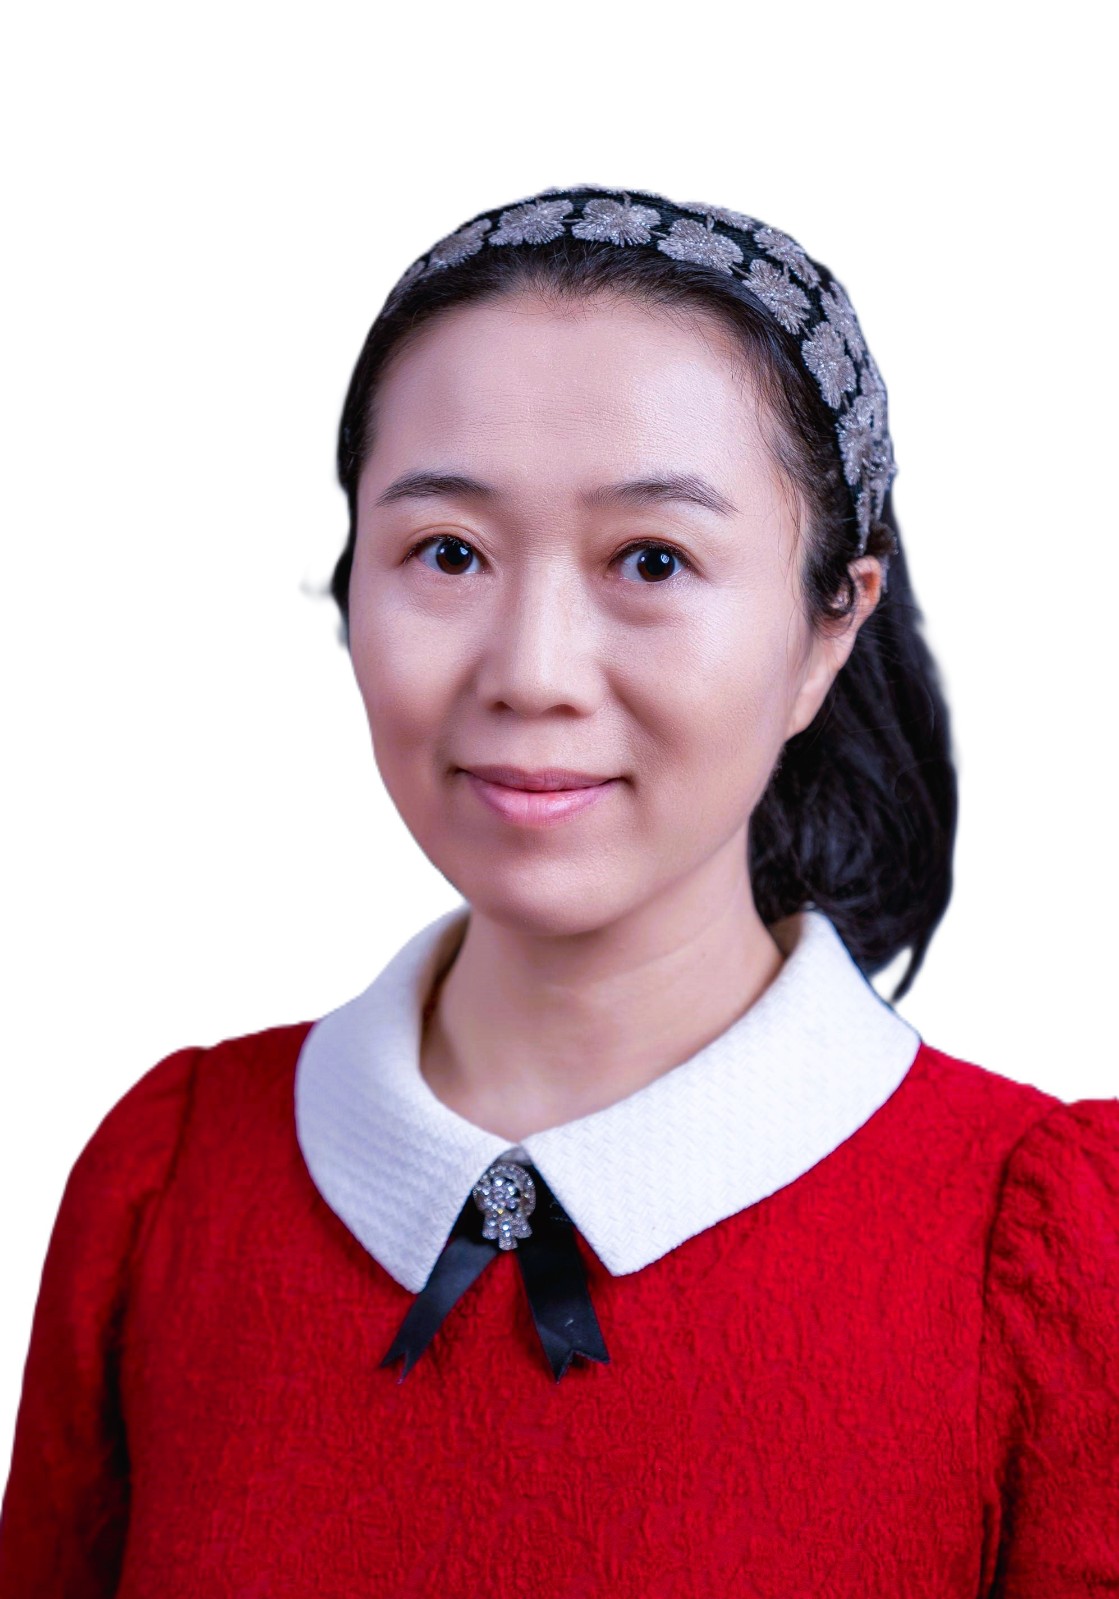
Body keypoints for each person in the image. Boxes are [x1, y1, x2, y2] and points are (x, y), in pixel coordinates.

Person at [0, 183, 1116, 1597]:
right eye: (447, 553)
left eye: (652, 560)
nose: (532, 671)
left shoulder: (1050, 1255)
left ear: (830, 627)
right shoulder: (165, 1188)